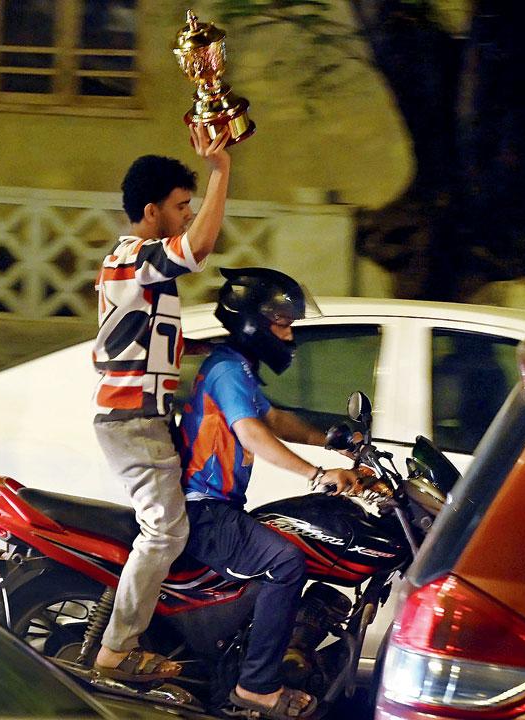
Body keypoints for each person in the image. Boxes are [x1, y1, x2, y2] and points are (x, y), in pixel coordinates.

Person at [177, 267, 362, 719]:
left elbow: (275, 420)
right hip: (205, 510)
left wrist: (336, 438)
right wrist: (318, 474)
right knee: (284, 561)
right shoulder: (226, 368)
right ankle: (256, 685)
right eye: (281, 321)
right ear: (253, 322)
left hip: (218, 507)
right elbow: (253, 435)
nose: (289, 332)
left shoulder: (236, 368)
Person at [91, 123, 232, 681]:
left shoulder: (134, 265)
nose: (186, 216)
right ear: (151, 212)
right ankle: (116, 652)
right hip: (132, 421)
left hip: (142, 417)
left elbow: (148, 338)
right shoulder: (136, 258)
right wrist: (222, 169)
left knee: (176, 528)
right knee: (167, 533)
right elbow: (195, 249)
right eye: (180, 207)